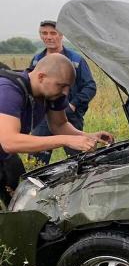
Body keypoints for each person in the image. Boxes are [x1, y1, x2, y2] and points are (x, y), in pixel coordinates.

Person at [0, 54, 114, 205]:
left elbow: (59, 125)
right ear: (41, 77)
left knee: (22, 202)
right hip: (7, 147)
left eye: (68, 87)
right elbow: (9, 141)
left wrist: (88, 136)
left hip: (5, 156)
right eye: (61, 86)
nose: (65, 92)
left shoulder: (52, 94)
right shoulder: (9, 91)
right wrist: (66, 140)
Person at [28, 19, 97, 164]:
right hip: (42, 117)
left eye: (53, 33)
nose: (48, 37)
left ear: (61, 35)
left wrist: (73, 105)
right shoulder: (36, 60)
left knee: (79, 158)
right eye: (44, 33)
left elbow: (90, 86)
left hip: (70, 116)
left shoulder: (76, 60)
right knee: (35, 159)